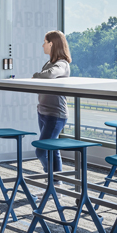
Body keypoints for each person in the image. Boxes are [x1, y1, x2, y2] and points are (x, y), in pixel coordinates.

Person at [33, 30, 71, 174]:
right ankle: (56, 185)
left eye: (45, 42)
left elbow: (50, 75)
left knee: (41, 151)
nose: (42, 45)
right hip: (43, 111)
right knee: (52, 149)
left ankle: (51, 180)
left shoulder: (62, 64)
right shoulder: (49, 62)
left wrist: (35, 75)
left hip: (55, 114)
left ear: (52, 44)